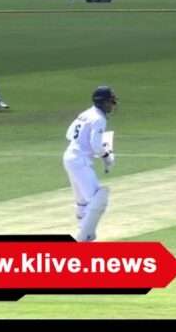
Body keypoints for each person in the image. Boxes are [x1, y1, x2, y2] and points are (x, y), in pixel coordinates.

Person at [63, 86, 117, 242]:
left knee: (82, 202)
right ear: (103, 102)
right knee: (99, 198)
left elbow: (69, 134)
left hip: (69, 156)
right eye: (110, 101)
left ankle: (82, 229)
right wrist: (106, 155)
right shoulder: (99, 118)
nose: (112, 105)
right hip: (80, 161)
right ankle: (83, 237)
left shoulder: (86, 113)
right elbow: (96, 144)